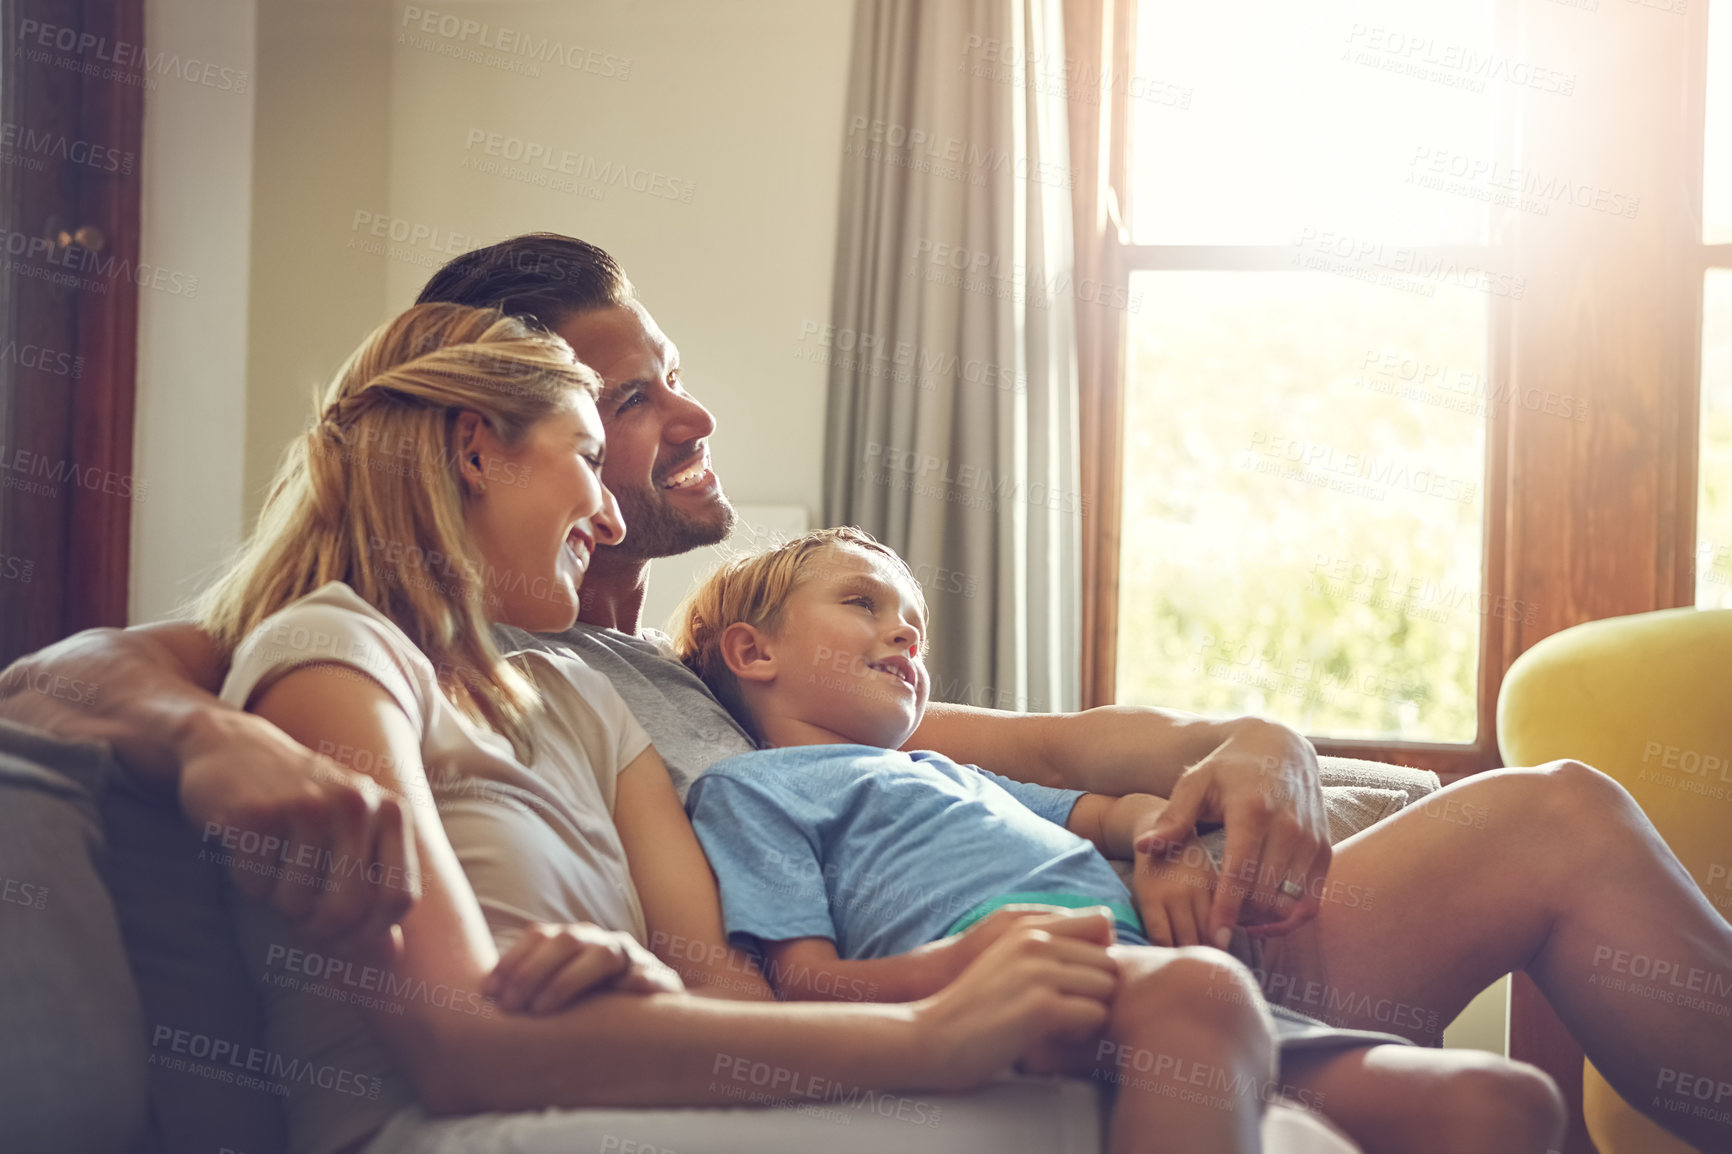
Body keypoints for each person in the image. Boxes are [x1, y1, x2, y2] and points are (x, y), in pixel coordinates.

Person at [185, 300, 1131, 1154]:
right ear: (477, 450)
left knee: (1143, 1063)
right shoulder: (333, 653)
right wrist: (936, 1033)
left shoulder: (578, 697)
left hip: (623, 1111)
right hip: (458, 1130)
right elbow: (460, 1044)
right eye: (589, 459)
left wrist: (640, 979)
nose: (605, 512)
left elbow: (730, 996)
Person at [670, 526, 1732, 1154]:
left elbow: (1099, 803)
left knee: (1507, 1097)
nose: (906, 634)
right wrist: (959, 970)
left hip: (1190, 960)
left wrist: (1164, 836)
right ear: (750, 648)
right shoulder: (749, 791)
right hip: (1071, 987)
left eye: (916, 624)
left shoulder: (947, 767)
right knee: (1202, 996)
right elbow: (795, 981)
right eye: (864, 604)